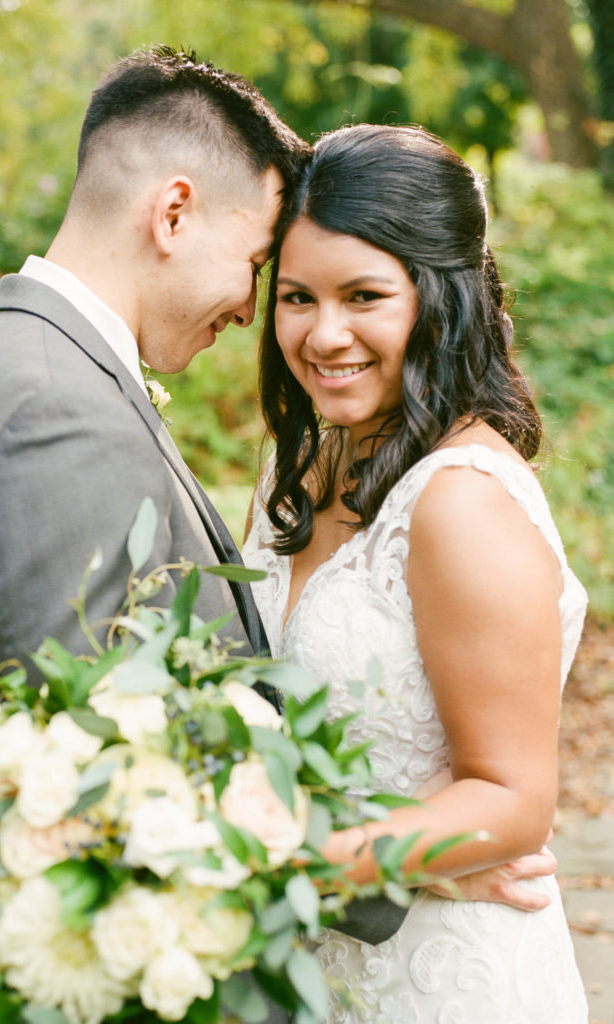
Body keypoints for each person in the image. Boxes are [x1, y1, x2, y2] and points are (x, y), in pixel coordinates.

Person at [243, 123, 588, 1021]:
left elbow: (510, 800)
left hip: (443, 979)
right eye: (295, 298)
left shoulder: (458, 502)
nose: (324, 335)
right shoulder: (296, 473)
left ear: (440, 300)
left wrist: (269, 865)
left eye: (364, 296)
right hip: (315, 965)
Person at [0, 45, 307, 721]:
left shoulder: (21, 363)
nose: (248, 310)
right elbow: (99, 757)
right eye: (254, 262)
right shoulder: (57, 413)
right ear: (173, 214)